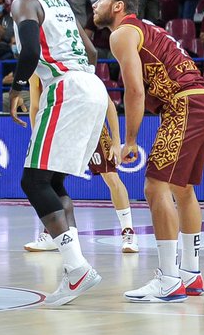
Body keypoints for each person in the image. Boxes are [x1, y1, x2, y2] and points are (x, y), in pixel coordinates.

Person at [94, 0, 204, 302]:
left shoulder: (121, 34)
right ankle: (191, 274)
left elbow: (134, 90)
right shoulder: (147, 27)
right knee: (182, 189)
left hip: (185, 103)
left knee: (154, 187)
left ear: (119, 6)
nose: (95, 3)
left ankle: (168, 279)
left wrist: (130, 139)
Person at [4, 0, 108, 307]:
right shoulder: (60, 2)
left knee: (32, 180)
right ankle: (73, 269)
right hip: (90, 85)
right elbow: (93, 53)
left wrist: (16, 89)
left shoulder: (24, 2)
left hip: (66, 88)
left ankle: (77, 268)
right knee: (54, 180)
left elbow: (29, 51)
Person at [23, 81, 139, 254]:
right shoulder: (37, 69)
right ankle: (51, 233)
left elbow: (108, 103)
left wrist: (116, 141)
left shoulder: (73, 63)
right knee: (50, 179)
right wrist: (37, 136)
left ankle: (128, 233)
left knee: (111, 178)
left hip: (91, 123)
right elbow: (34, 105)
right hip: (62, 125)